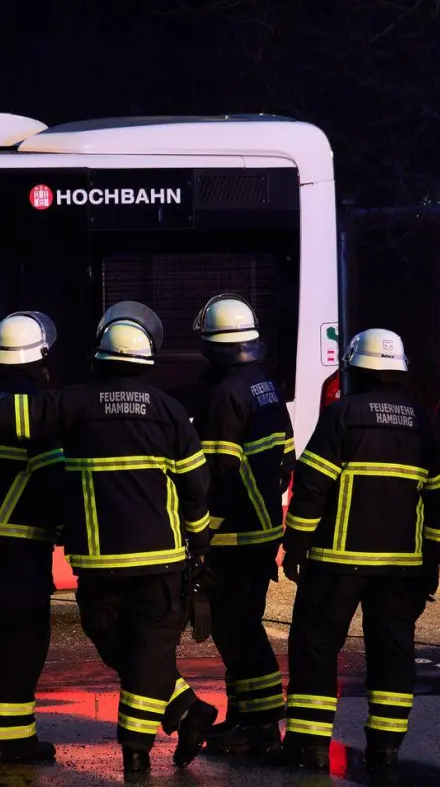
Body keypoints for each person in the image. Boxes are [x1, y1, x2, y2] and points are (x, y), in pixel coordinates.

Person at [0, 304, 218, 781]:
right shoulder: (166, 410)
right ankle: (146, 728)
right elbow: (194, 487)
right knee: (23, 642)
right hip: (73, 556)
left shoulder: (65, 406)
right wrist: (199, 543)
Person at [281, 328, 440, 779]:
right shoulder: (421, 422)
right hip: (401, 567)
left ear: (357, 368)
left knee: (316, 646)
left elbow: (312, 484)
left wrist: (296, 543)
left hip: (338, 561)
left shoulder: (343, 415)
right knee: (393, 652)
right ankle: (386, 748)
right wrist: (432, 558)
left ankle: (311, 747)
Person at [190, 295, 294, 755]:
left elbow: (218, 474)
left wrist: (202, 535)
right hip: (261, 529)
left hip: (233, 536)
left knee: (239, 632)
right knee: (241, 626)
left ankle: (262, 725)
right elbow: (286, 460)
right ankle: (246, 720)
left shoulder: (224, 395)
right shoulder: (264, 386)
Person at [0, 312, 65, 764]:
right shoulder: (39, 407)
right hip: (20, 545)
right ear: (40, 355)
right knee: (18, 641)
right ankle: (13, 740)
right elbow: (52, 482)